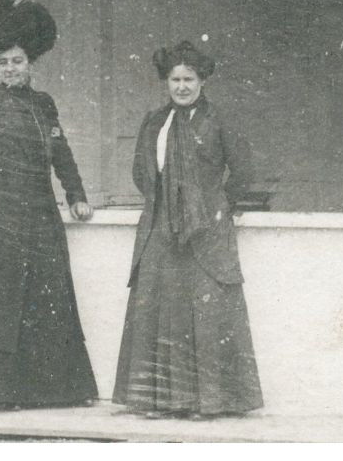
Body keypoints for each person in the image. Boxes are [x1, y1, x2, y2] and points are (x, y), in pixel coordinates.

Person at [0, 1, 98, 408]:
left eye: (17, 61)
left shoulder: (45, 105)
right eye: (3, 63)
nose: (9, 68)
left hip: (42, 215)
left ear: (31, 64)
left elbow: (62, 157)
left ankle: (46, 392)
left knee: (44, 298)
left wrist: (76, 196)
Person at [112, 40, 263, 417]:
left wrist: (212, 205)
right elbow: (140, 172)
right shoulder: (154, 122)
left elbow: (243, 172)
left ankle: (207, 402)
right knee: (159, 310)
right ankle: (158, 401)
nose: (182, 86)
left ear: (203, 81)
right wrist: (165, 203)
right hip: (161, 229)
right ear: (167, 81)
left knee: (205, 314)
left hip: (205, 232)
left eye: (189, 79)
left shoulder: (218, 119)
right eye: (175, 79)